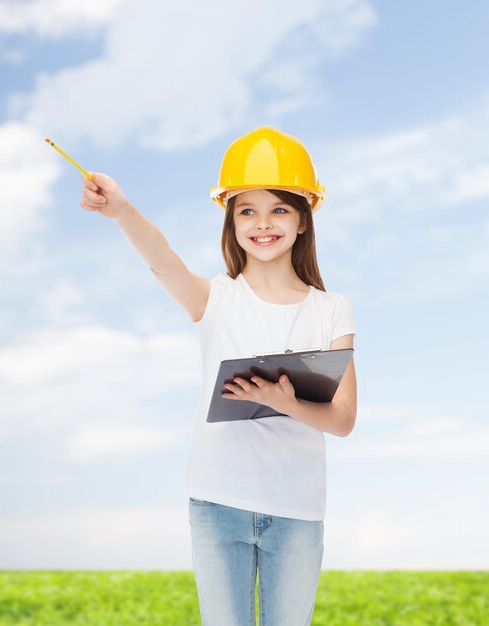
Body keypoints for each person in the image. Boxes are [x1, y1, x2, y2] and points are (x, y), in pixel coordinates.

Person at [79, 126, 357, 626]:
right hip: (218, 501)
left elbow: (342, 420)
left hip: (297, 510)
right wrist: (120, 210)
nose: (261, 224)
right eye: (246, 210)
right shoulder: (215, 299)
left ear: (303, 219)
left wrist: (285, 402)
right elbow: (162, 261)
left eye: (278, 209)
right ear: (230, 221)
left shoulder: (331, 311)